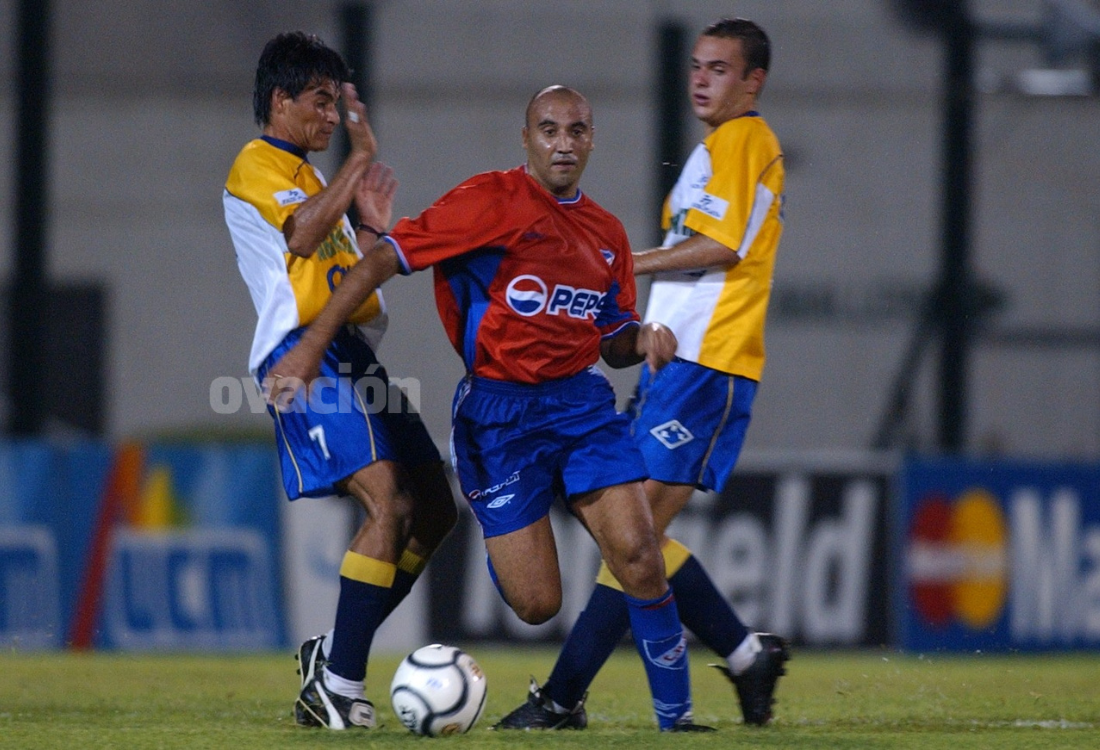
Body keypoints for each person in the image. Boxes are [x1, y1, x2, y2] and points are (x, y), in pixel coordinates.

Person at [266, 84, 712, 733]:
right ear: (527, 139)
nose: (563, 143)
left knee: (640, 555)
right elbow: (383, 261)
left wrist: (639, 338)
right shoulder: (488, 202)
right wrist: (310, 348)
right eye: (550, 129)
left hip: (582, 407)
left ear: (591, 140)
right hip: (498, 418)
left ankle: (678, 721)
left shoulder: (607, 234)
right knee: (536, 603)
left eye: (577, 131)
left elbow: (611, 339)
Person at [496, 17, 790, 730]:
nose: (700, 78)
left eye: (720, 68)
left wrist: (621, 266)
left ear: (753, 81)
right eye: (697, 65)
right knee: (632, 538)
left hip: (710, 363)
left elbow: (719, 247)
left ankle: (563, 699)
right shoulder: (712, 151)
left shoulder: (747, 140)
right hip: (675, 365)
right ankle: (745, 654)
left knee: (632, 538)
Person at [222, 31, 457, 731]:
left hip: (352, 353)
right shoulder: (256, 162)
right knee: (385, 499)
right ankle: (339, 687)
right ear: (280, 100)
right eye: (319, 102)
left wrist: (373, 230)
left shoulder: (315, 180)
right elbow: (298, 238)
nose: (331, 117)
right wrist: (359, 161)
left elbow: (341, 262)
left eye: (335, 104)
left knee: (435, 508)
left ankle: (333, 654)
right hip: (302, 353)